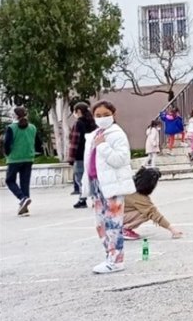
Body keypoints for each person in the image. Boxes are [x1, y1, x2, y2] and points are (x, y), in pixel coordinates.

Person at [83, 100, 136, 274]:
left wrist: (103, 146)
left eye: (106, 114)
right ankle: (109, 256)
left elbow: (121, 159)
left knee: (113, 224)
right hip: (96, 183)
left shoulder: (116, 134)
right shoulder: (94, 135)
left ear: (113, 114)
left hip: (112, 184)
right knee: (101, 224)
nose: (102, 118)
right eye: (98, 115)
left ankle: (116, 260)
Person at [123, 166, 184, 240]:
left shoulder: (128, 185)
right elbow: (154, 213)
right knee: (147, 213)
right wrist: (172, 229)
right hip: (115, 217)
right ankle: (123, 229)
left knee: (147, 211)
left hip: (113, 214)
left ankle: (121, 228)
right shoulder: (138, 196)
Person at [4, 106, 37, 216]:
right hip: (28, 157)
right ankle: (25, 208)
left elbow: (7, 143)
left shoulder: (11, 128)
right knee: (24, 182)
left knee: (10, 180)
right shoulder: (32, 127)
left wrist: (7, 153)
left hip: (14, 158)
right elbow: (37, 142)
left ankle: (22, 198)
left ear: (15, 116)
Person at [69, 102, 95, 203]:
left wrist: (71, 158)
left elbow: (74, 142)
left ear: (78, 111)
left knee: (80, 178)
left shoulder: (78, 123)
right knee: (92, 177)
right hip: (91, 154)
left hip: (80, 155)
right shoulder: (93, 123)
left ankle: (82, 199)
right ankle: (94, 197)